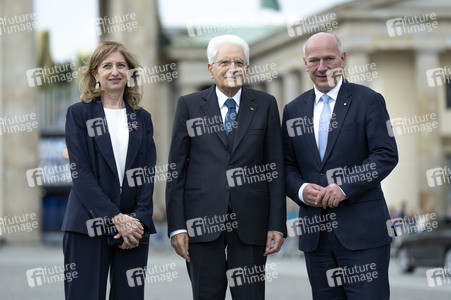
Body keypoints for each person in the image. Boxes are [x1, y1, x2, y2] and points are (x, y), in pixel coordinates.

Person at [166, 34, 286, 300]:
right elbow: (176, 171)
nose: (232, 68)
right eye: (224, 62)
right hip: (201, 222)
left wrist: (277, 225)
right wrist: (177, 227)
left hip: (251, 222)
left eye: (238, 62)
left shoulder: (265, 105)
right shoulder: (189, 106)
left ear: (247, 68)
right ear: (210, 69)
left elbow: (275, 168)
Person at [282, 32, 398, 299]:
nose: (322, 67)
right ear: (305, 63)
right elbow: (286, 166)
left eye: (329, 59)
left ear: (343, 59)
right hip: (316, 237)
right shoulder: (293, 110)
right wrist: (300, 190)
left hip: (364, 236)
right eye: (314, 60)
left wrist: (344, 187)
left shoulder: (369, 100)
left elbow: (386, 154)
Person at [62, 40, 157, 299]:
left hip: (134, 230)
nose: (115, 71)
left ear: (129, 73)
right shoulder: (78, 114)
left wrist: (138, 220)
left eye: (121, 65)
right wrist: (116, 218)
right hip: (87, 225)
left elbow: (148, 173)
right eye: (107, 66)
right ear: (95, 74)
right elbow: (80, 173)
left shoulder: (143, 118)